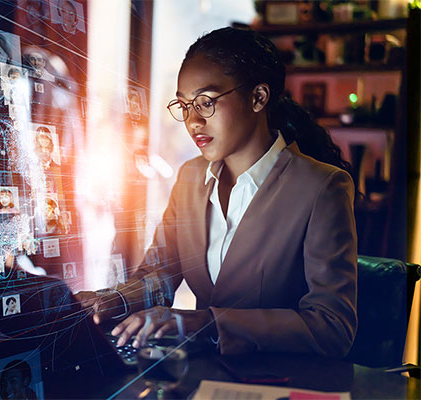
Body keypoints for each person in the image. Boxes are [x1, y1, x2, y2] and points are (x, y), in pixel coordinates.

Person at [77, 27, 357, 358]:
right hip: (200, 376)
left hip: (277, 381)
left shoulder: (321, 187)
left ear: (258, 97)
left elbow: (332, 326)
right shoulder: (191, 178)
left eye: (206, 102)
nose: (192, 121)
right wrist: (107, 300)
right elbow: (161, 274)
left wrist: (205, 323)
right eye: (184, 105)